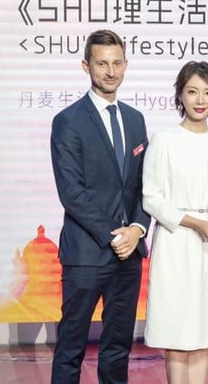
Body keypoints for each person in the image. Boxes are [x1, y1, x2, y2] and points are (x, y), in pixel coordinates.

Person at [50, 29, 150, 384]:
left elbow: (143, 185)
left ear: (126, 65)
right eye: (102, 63)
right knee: (71, 346)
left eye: (117, 63)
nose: (110, 71)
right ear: (86, 66)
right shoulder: (68, 121)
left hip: (129, 254)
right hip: (87, 252)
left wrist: (136, 229)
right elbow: (71, 192)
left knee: (118, 347)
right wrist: (114, 235)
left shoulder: (135, 119)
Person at [141, 61, 208, 384]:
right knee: (177, 333)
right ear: (180, 95)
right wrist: (195, 223)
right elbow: (151, 198)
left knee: (203, 332)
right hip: (177, 240)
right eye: (192, 91)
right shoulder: (164, 141)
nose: (200, 100)